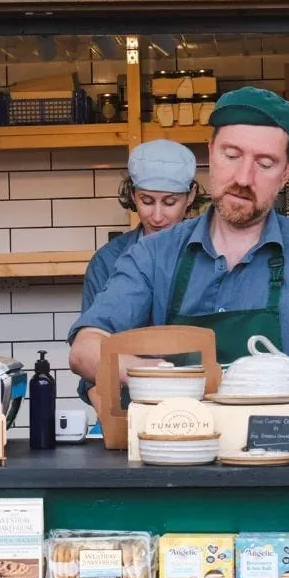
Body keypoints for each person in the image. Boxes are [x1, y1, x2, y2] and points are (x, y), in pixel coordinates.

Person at [69, 86, 289, 397]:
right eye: (231, 155)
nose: (244, 178)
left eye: (265, 164)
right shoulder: (153, 255)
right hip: (177, 428)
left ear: (287, 172)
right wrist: (157, 374)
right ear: (210, 153)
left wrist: (249, 400)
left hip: (279, 427)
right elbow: (85, 349)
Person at [78, 139, 198, 407]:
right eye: (147, 201)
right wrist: (116, 423)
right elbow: (90, 366)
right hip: (126, 404)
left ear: (190, 196)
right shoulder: (107, 261)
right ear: (133, 195)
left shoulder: (206, 256)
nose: (157, 216)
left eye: (170, 202)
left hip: (197, 402)